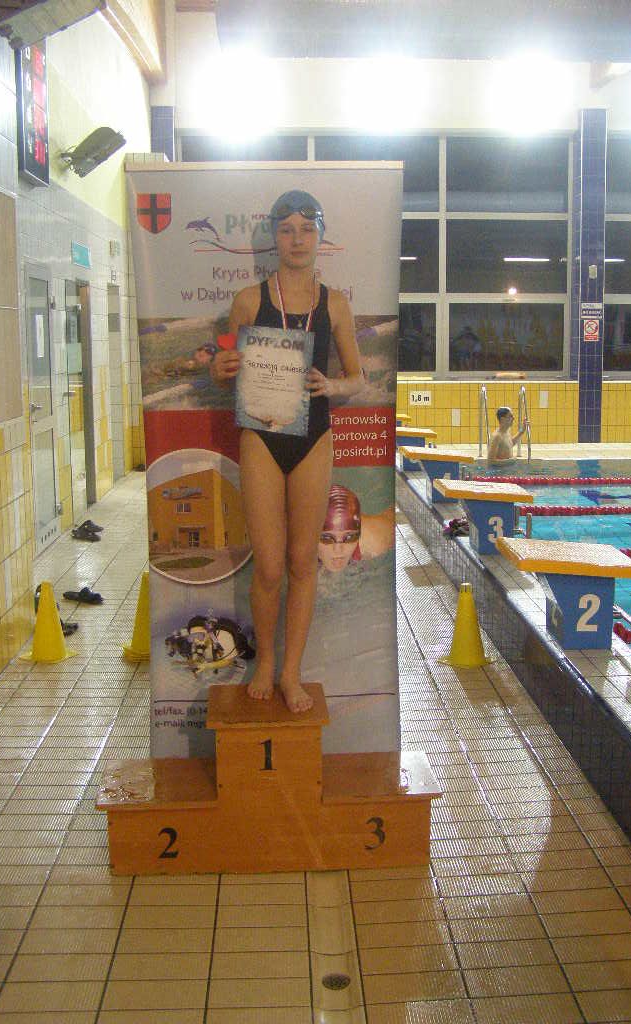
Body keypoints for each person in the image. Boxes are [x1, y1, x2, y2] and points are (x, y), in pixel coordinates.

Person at [212, 190, 363, 712]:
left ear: (320, 236)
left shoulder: (334, 303)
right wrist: (218, 368)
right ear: (274, 238)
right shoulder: (248, 301)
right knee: (270, 567)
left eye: (306, 228)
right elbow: (225, 365)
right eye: (286, 229)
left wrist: (332, 386)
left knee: (303, 562)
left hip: (313, 438)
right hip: (261, 438)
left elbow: (358, 377)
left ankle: (291, 673)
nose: (297, 239)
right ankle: (265, 664)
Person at [317, 484, 394, 573]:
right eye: (327, 538)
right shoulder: (303, 547)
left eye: (350, 537)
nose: (338, 550)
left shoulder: (374, 541)